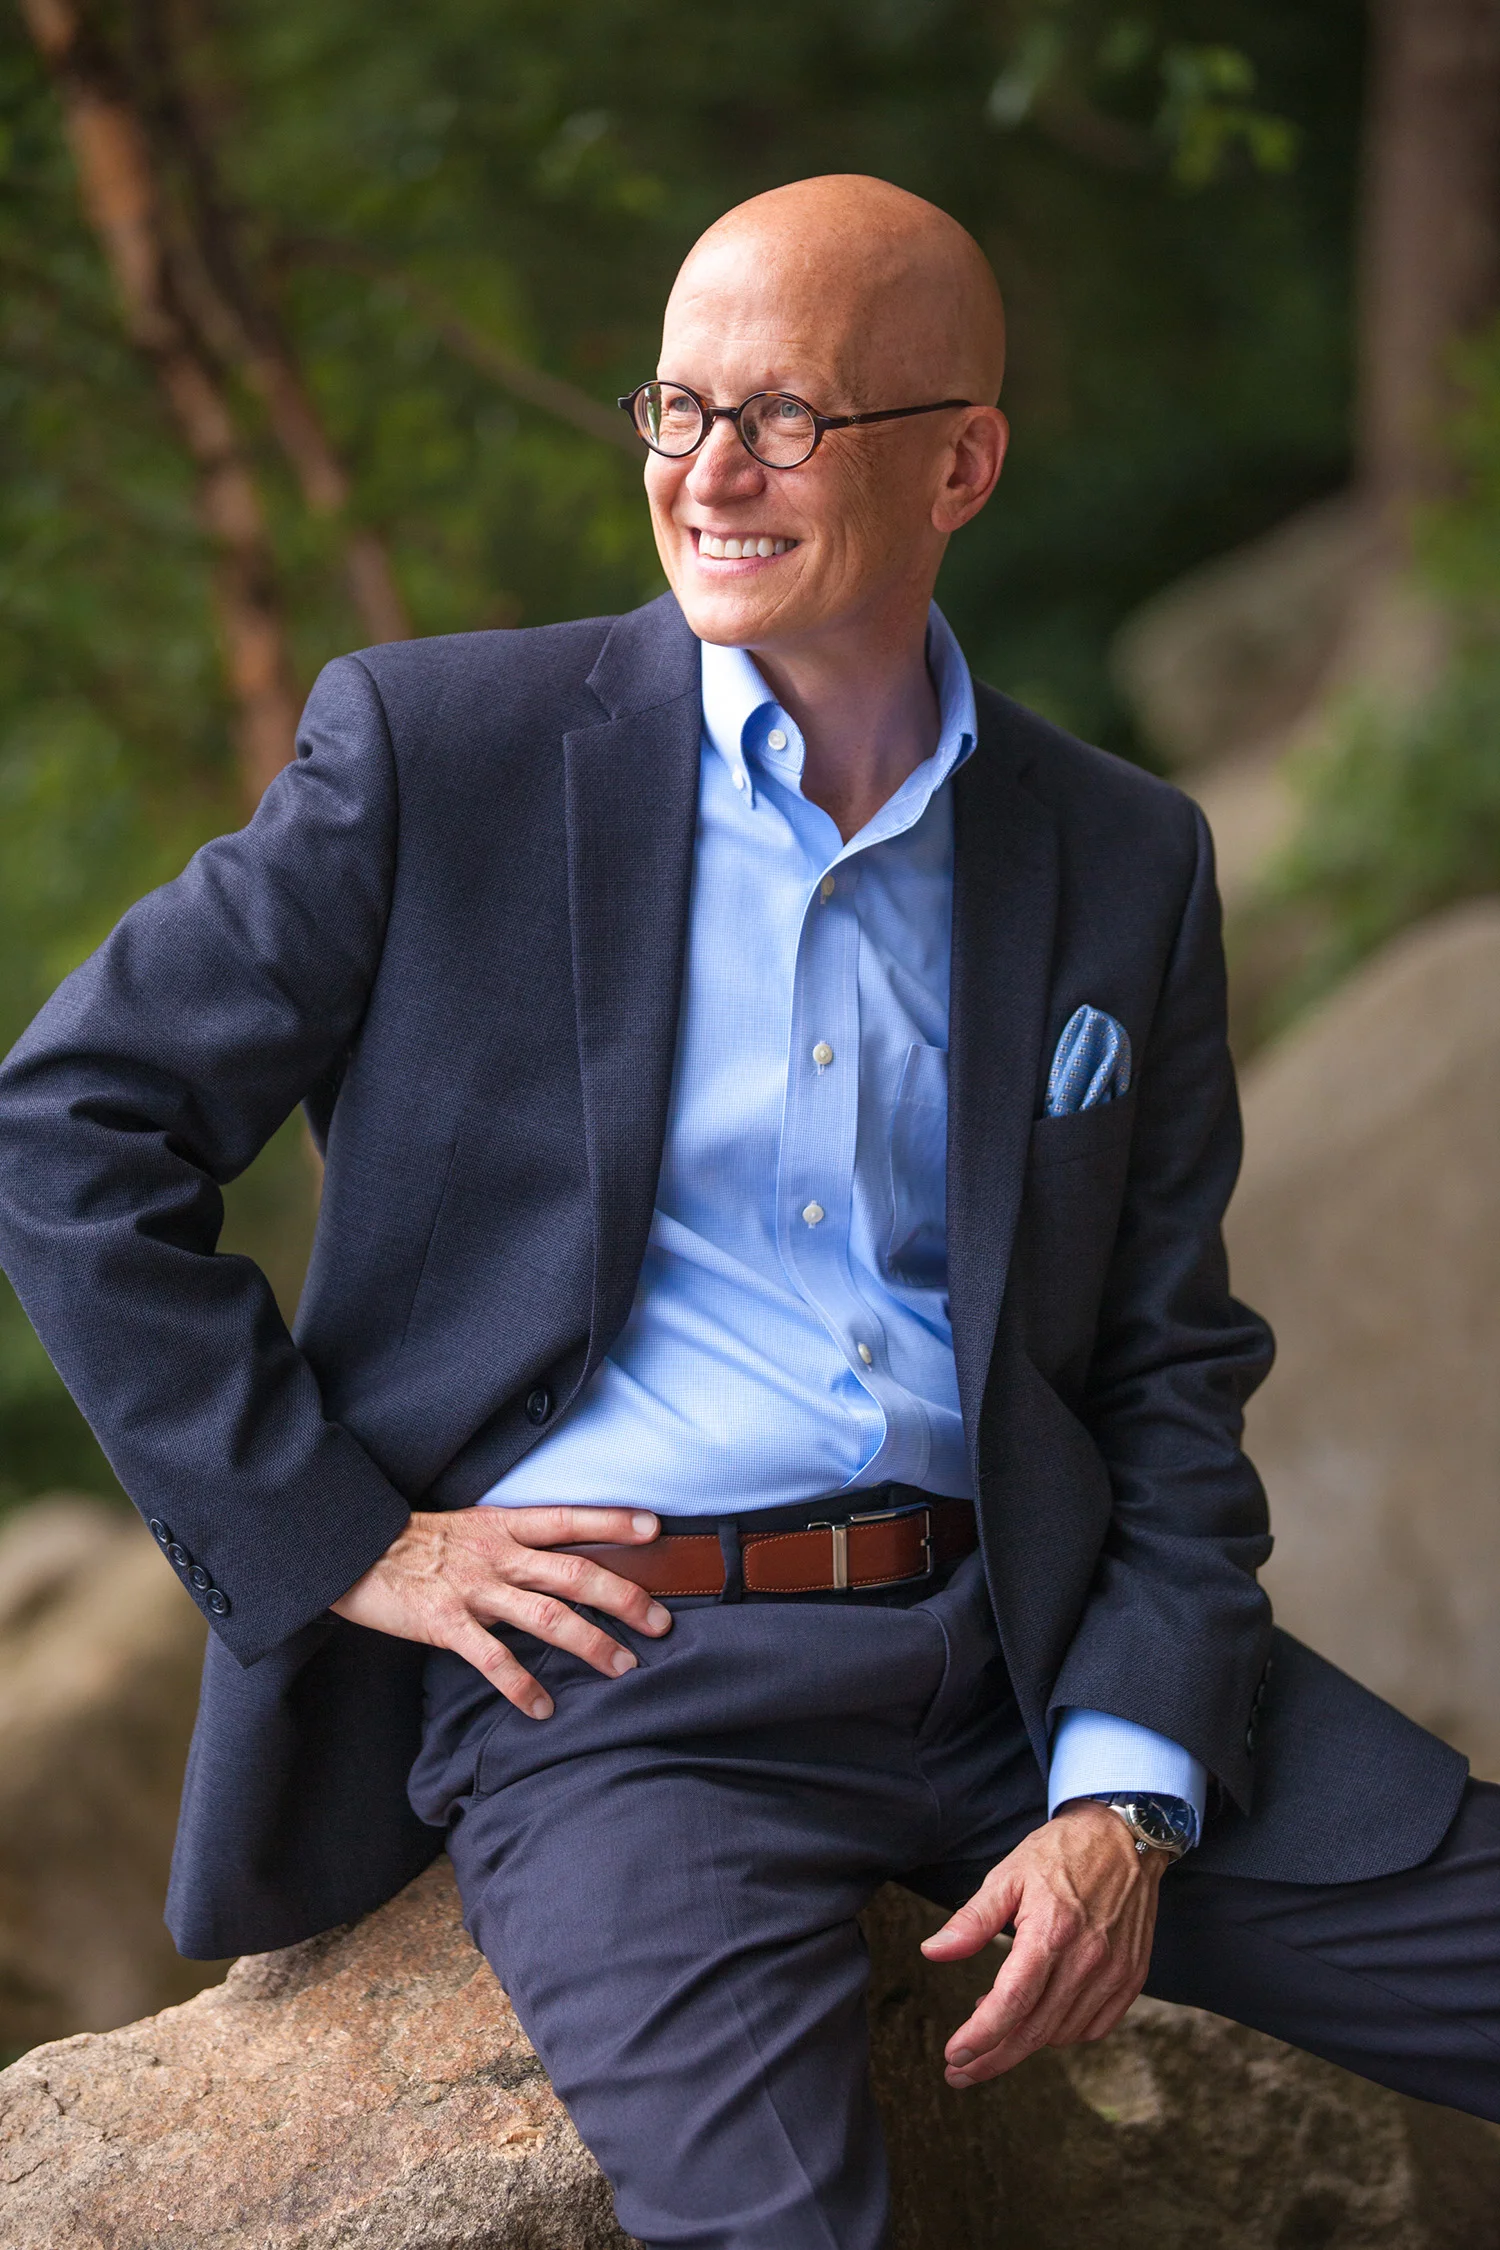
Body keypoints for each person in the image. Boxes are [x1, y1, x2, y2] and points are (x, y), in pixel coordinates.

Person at [0, 175, 1494, 2250]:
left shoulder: (1119, 852)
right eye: (676, 407)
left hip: (1029, 1644)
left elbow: (1164, 1364)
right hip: (629, 1697)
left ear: (961, 462)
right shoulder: (441, 753)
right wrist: (347, 1539)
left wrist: (1125, 1789)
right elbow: (68, 1124)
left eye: (785, 416)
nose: (707, 471)